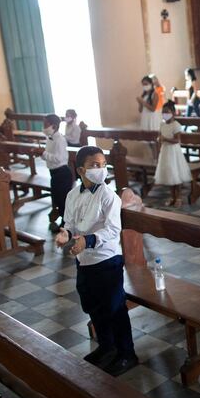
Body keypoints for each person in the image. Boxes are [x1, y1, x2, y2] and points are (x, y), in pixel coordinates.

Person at [56, 145, 138, 376]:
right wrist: (66, 234)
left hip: (106, 260)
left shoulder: (108, 196)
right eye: (94, 165)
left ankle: (127, 353)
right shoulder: (73, 194)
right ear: (81, 169)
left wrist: (88, 240)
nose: (100, 170)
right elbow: (70, 223)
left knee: (114, 308)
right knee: (93, 305)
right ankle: (106, 346)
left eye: (103, 165)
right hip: (84, 261)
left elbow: (113, 230)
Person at [33, 114, 74, 232]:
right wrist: (40, 153)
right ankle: (63, 222)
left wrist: (44, 153)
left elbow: (59, 158)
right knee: (57, 199)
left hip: (62, 173)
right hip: (54, 173)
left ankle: (67, 226)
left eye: (45, 124)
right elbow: (49, 156)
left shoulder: (60, 139)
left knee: (63, 200)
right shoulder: (49, 138)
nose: (43, 127)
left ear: (54, 126)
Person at [154, 102, 192, 207]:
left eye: (167, 112)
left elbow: (177, 140)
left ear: (173, 113)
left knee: (176, 175)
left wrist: (165, 139)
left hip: (174, 152)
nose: (165, 114)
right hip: (165, 151)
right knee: (169, 175)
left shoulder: (176, 125)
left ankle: (178, 197)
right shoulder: (162, 124)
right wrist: (159, 140)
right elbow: (159, 136)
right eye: (163, 112)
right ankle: (172, 196)